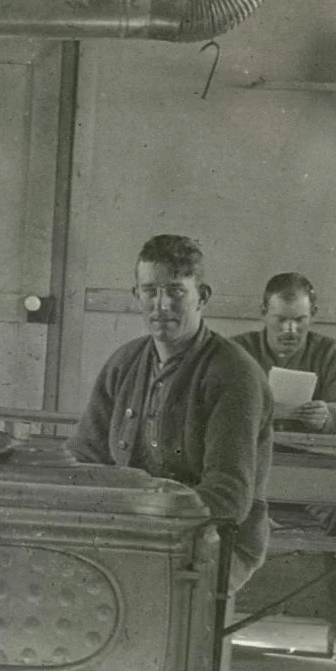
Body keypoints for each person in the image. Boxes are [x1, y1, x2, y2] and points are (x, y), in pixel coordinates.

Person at [67, 235, 272, 591]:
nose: (161, 305)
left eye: (176, 291)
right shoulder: (124, 363)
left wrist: (141, 512)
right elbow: (84, 457)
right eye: (150, 291)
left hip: (216, 539)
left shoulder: (234, 373)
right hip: (135, 532)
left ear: (202, 296)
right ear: (137, 295)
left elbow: (228, 498)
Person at [231, 273, 336, 662]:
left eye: (299, 320)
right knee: (212, 511)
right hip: (250, 478)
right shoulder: (237, 351)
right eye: (281, 319)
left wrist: (329, 415)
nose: (290, 330)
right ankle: (210, 621)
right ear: (263, 313)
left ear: (313, 315)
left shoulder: (328, 354)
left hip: (309, 484)